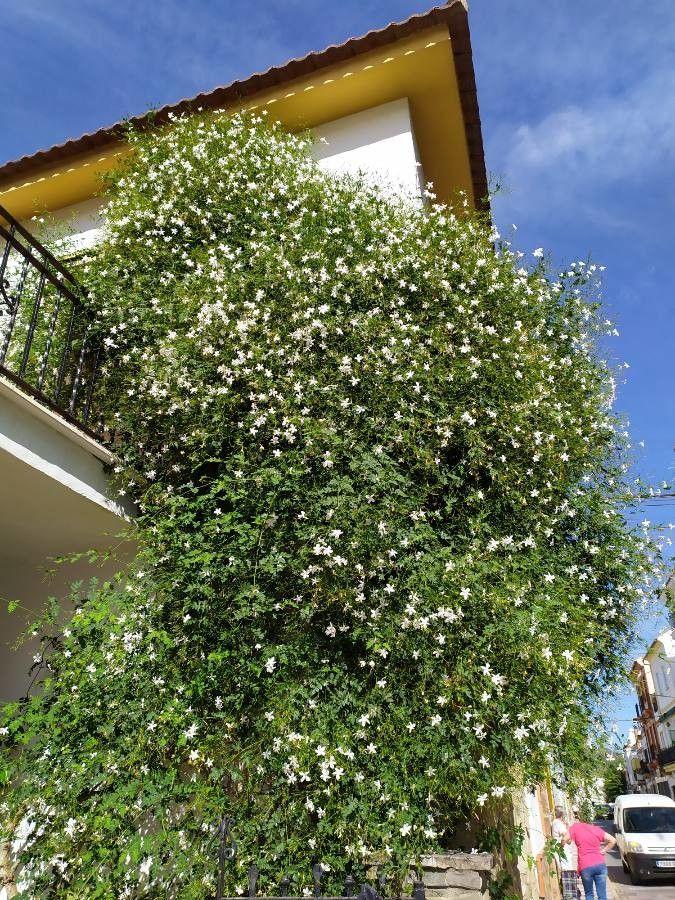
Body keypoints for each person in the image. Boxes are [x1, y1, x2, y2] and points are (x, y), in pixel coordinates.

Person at [565, 811, 616, 900]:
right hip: (600, 864)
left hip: (585, 866)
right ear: (591, 822)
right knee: (602, 896)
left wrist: (562, 844)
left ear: (579, 819)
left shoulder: (575, 827)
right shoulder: (596, 829)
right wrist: (603, 851)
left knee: (589, 894)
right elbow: (613, 840)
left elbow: (566, 838)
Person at [552, 805, 580, 900]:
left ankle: (571, 894)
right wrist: (566, 842)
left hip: (564, 852)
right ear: (562, 814)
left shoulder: (558, 823)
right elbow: (566, 836)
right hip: (563, 852)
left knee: (568, 872)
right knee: (567, 872)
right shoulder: (558, 823)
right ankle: (570, 896)